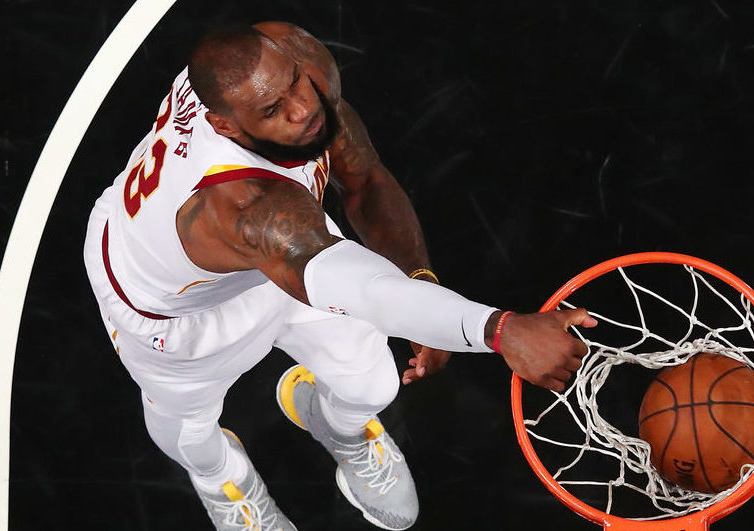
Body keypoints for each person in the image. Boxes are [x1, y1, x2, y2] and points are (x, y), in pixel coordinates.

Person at [83, 21, 595, 531]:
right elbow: (364, 288)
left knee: (374, 386)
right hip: (174, 310)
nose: (302, 109)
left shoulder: (289, 61)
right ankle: (225, 481)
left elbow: (365, 178)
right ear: (227, 127)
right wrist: (499, 329)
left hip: (298, 248)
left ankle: (341, 430)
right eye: (272, 110)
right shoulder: (240, 206)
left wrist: (421, 282)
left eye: (294, 84)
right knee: (190, 434)